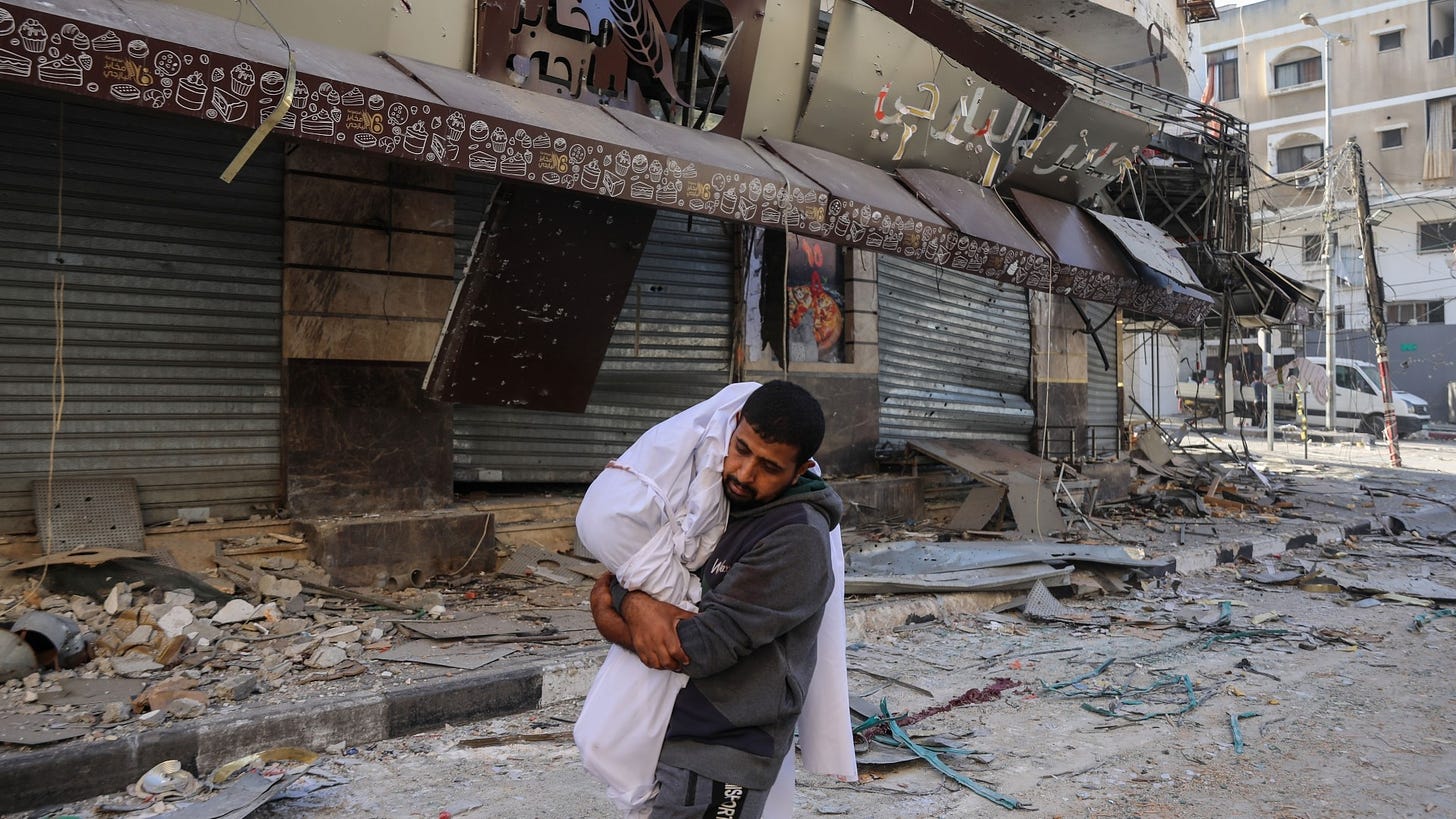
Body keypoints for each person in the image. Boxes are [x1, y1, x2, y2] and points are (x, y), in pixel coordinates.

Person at [577, 381, 850, 818]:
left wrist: (615, 607)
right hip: (680, 734)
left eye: (769, 466)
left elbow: (699, 648)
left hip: (724, 752)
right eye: (741, 449)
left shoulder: (796, 539)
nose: (744, 473)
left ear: (801, 470)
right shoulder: (719, 506)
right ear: (734, 425)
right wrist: (632, 599)